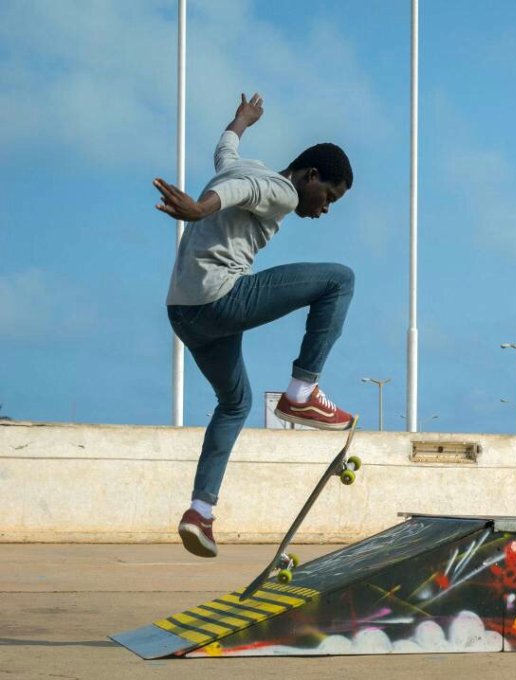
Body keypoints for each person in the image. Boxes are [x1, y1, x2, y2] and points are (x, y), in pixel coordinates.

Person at [156, 92, 357, 558]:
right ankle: (301, 392)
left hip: (184, 313)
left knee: (235, 403)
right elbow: (242, 193)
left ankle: (200, 512)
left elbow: (225, 151)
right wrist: (200, 209)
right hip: (220, 299)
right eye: (328, 197)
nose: (325, 209)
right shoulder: (282, 190)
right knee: (340, 280)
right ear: (310, 176)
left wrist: (241, 121)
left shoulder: (241, 165)